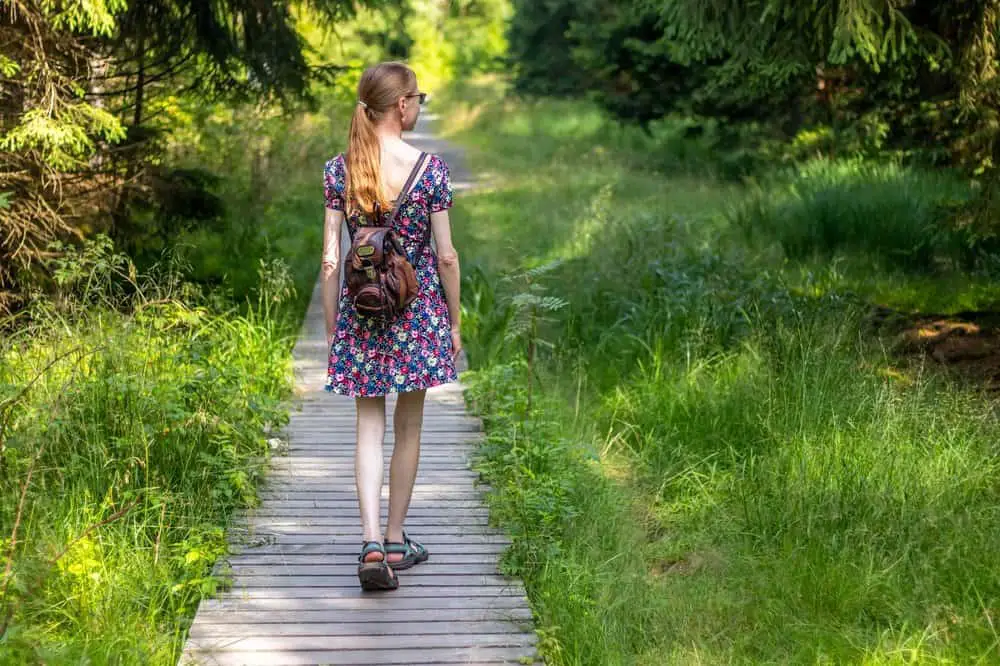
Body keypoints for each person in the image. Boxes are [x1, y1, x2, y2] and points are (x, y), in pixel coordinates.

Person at [319, 61, 462, 591]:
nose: (419, 105)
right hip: (417, 311)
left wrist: (334, 327)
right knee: (410, 427)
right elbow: (446, 257)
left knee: (368, 428)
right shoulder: (431, 171)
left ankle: (372, 541)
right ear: (401, 106)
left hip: (362, 311)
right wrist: (452, 323)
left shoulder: (342, 169)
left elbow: (331, 260)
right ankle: (399, 541)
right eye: (417, 98)